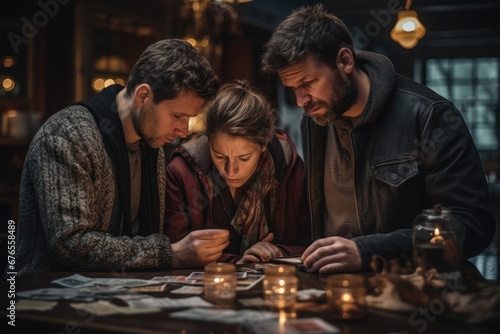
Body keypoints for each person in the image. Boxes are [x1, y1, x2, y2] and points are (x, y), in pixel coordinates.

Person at [261, 5, 496, 273]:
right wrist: (277, 249)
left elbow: (472, 224)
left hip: (415, 294)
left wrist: (368, 251)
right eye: (292, 88)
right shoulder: (316, 119)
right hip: (335, 293)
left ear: (345, 61)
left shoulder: (430, 115)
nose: (300, 100)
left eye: (308, 82)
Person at [15, 39, 229, 276]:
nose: (183, 131)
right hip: (47, 297)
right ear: (143, 96)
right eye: (177, 115)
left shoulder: (151, 144)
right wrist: (168, 253)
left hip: (122, 292)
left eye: (188, 118)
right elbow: (70, 245)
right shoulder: (68, 134)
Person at [165, 80, 311, 264]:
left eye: (244, 158)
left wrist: (278, 252)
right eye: (220, 156)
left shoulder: (289, 166)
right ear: (208, 139)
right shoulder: (182, 172)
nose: (231, 171)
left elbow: (312, 242)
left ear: (264, 142)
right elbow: (174, 249)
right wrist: (236, 262)